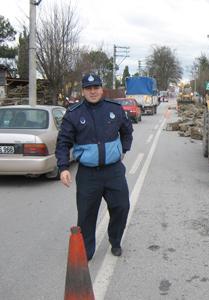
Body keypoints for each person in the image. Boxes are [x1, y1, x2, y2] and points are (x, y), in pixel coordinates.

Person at [56, 73, 133, 260]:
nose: (93, 91)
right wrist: (64, 167)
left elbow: (127, 131)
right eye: (88, 88)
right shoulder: (74, 114)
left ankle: (115, 241)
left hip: (113, 171)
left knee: (121, 207)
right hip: (88, 174)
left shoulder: (114, 109)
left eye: (96, 88)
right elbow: (63, 142)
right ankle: (87, 250)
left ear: (101, 89)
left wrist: (124, 148)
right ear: (83, 91)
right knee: (86, 215)